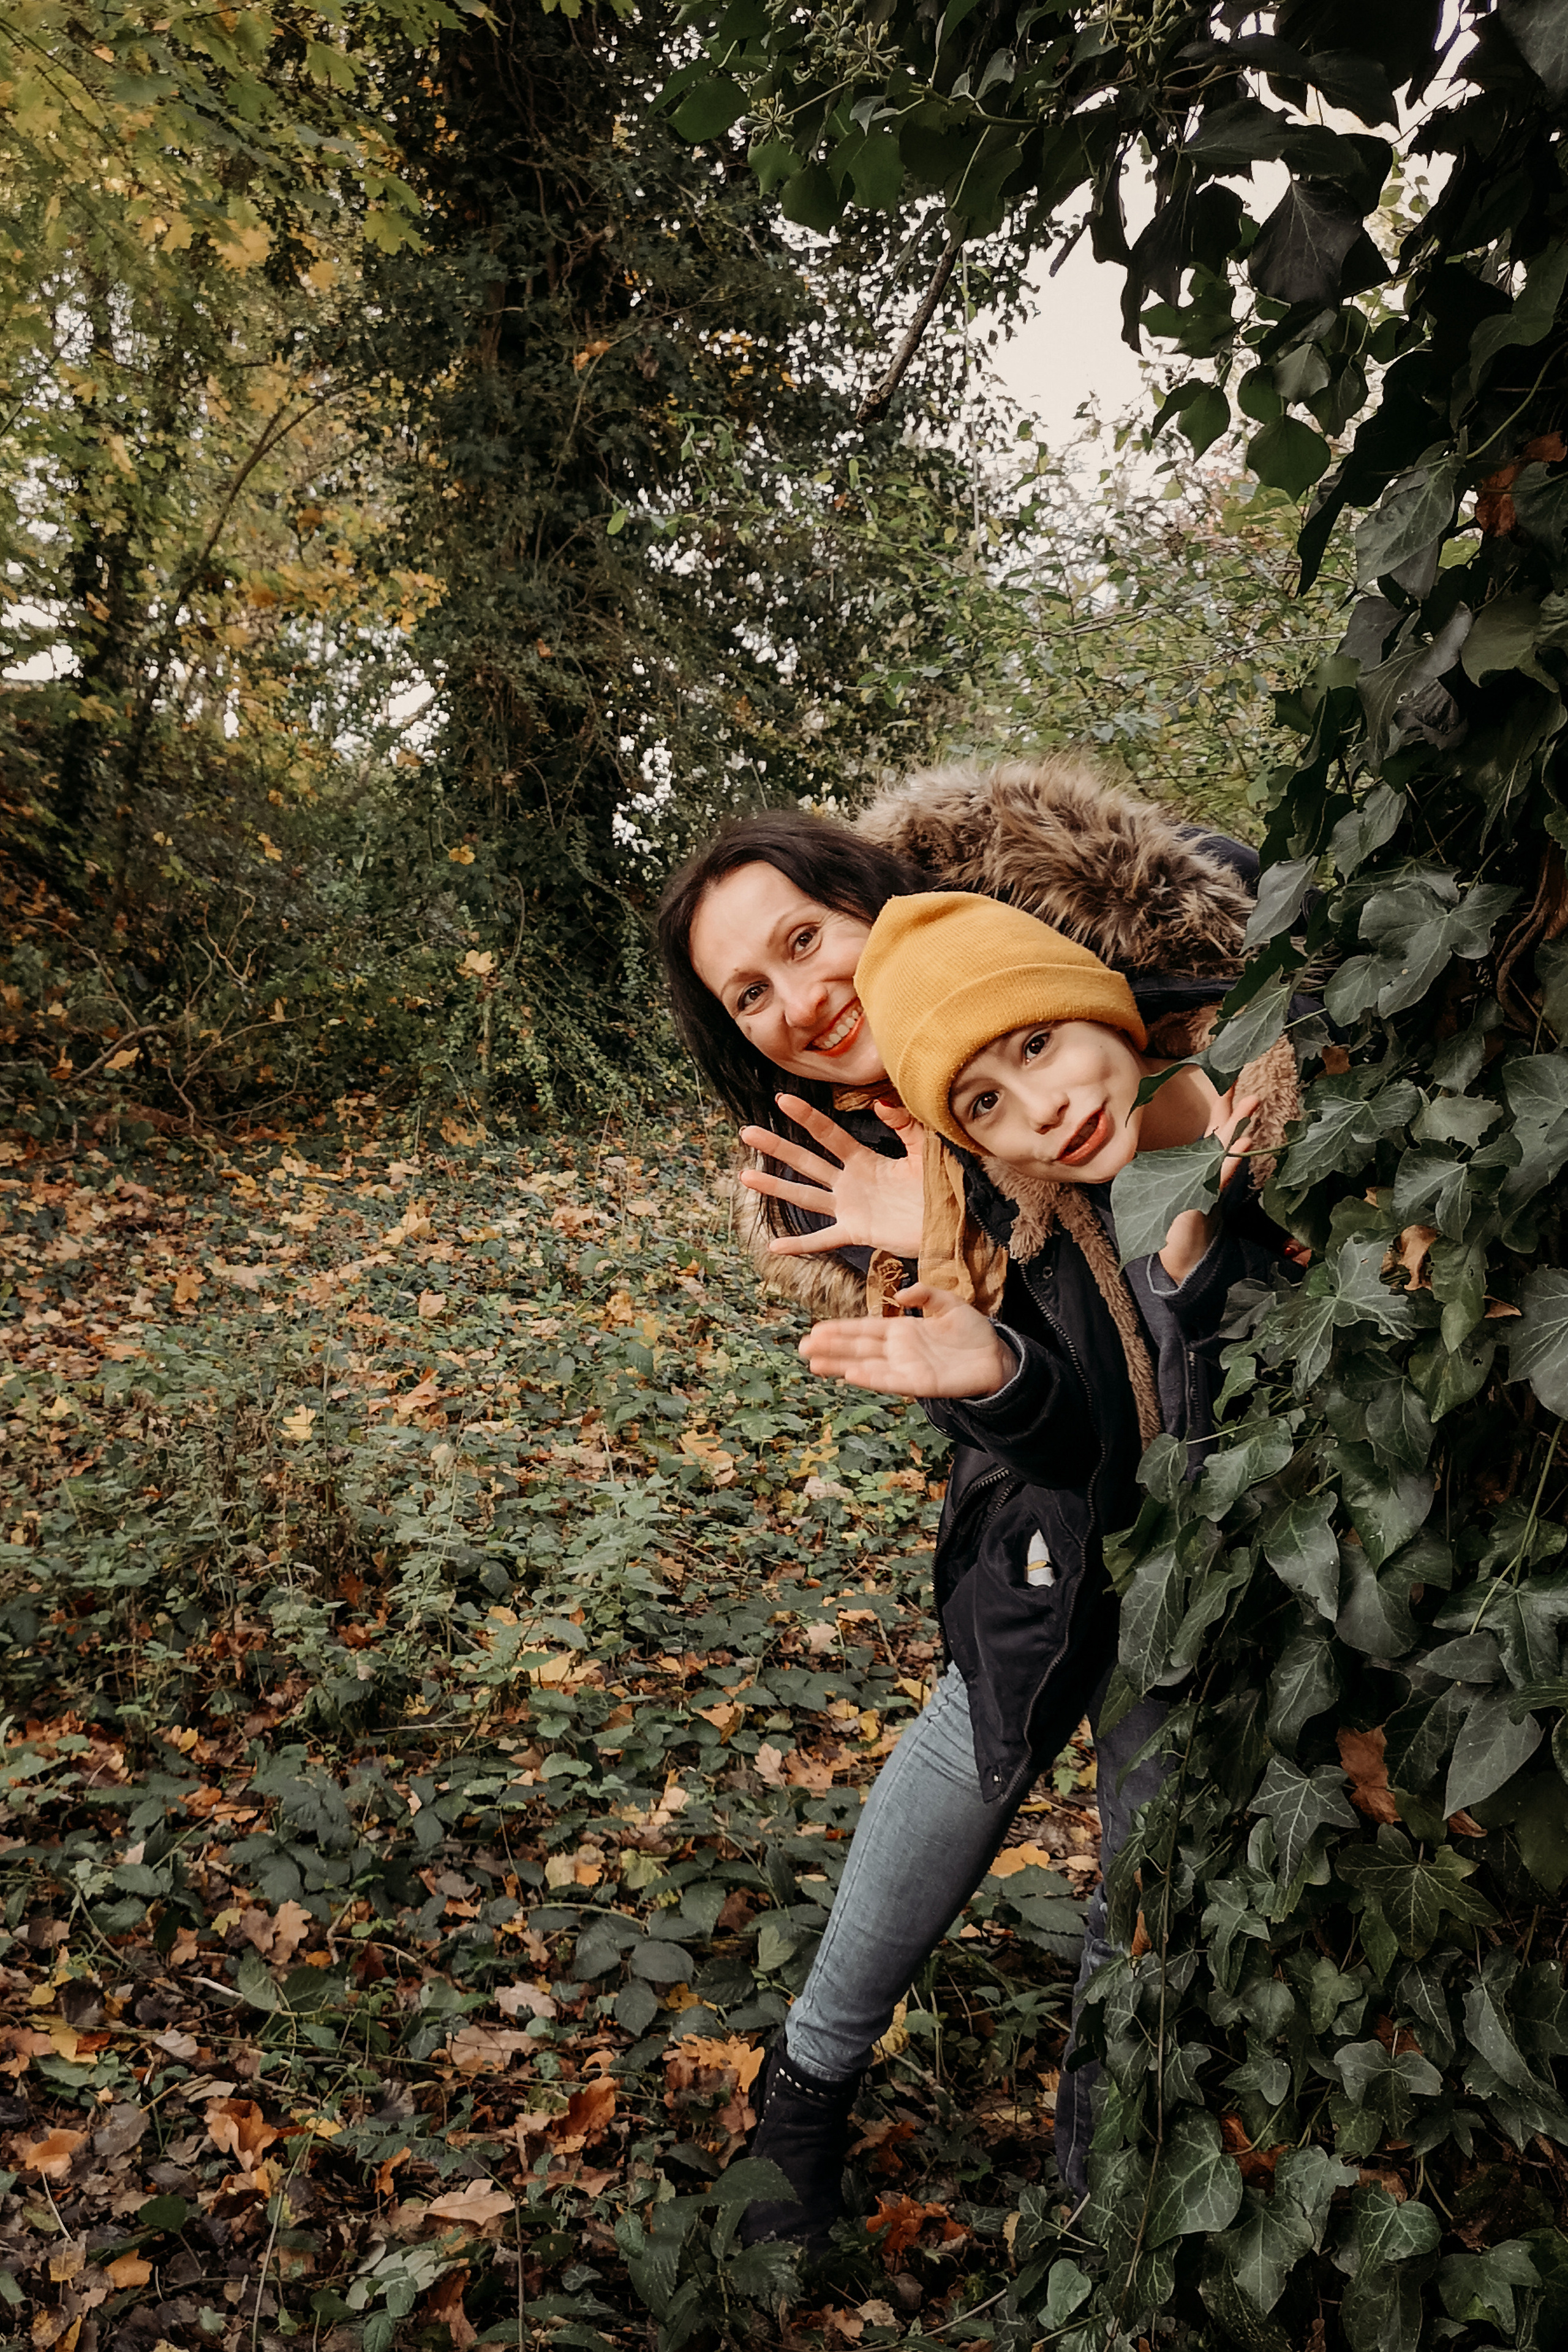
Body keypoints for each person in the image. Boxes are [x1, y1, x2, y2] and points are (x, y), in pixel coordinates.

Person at [654, 756, 1285, 2252]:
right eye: (748, 994)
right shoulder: (848, 1177)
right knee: (982, 1722)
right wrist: (968, 1302)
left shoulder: (1055, 958)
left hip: (1232, 1485)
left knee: (1151, 1769)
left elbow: (1216, 974)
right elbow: (1073, 1431)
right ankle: (803, 2095)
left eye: (803, 937)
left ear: (877, 895)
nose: (797, 997)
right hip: (1056, 1489)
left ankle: (1098, 2170)